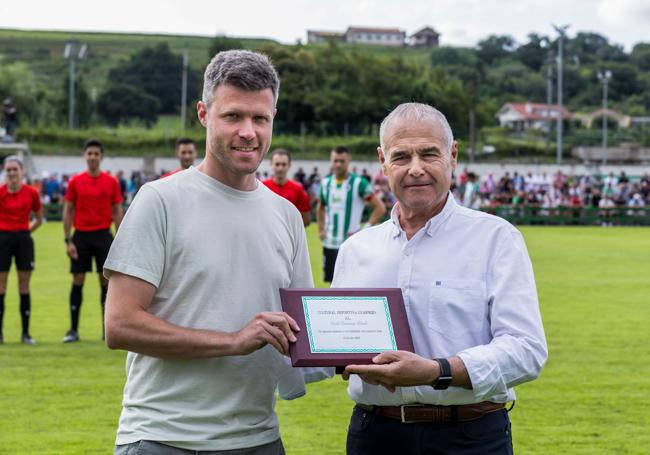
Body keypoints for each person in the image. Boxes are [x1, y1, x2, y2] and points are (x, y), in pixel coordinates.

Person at [104, 50, 330, 455]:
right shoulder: (160, 200)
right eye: (233, 116)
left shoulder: (287, 216)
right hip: (164, 437)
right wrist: (232, 340)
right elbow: (120, 325)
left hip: (259, 438)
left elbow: (301, 333)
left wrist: (366, 351)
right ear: (204, 114)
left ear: (273, 117)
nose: (248, 131)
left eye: (260, 118)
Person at [333, 103, 547, 455]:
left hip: (469, 435)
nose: (416, 169)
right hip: (375, 434)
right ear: (382, 162)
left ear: (453, 155)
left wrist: (436, 371)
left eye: (429, 154)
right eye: (401, 156)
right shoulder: (357, 249)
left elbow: (526, 350)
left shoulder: (495, 239)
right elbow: (336, 345)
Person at [62, 139, 123, 343]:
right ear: (84, 156)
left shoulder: (111, 182)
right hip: (81, 236)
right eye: (90, 154)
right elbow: (68, 209)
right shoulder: (75, 182)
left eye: (96, 154)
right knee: (78, 280)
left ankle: (107, 330)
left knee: (105, 283)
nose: (93, 157)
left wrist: (121, 239)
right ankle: (73, 330)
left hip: (103, 236)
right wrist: (68, 240)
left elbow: (117, 211)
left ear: (101, 157)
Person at [317, 146, 385, 282]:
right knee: (332, 285)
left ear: (349, 161)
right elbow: (321, 207)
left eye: (342, 161)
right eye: (335, 161)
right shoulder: (325, 183)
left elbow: (380, 208)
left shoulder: (359, 183)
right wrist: (321, 229)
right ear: (331, 162)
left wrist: (364, 230)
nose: (338, 164)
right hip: (330, 243)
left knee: (352, 284)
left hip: (351, 244)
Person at [0, 156, 42, 344]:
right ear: (4, 172)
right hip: (3, 240)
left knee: (23, 287)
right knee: (1, 287)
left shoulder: (31, 193)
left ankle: (25, 334)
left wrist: (25, 232)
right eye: (8, 170)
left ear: (21, 171)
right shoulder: (0, 192)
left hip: (24, 240)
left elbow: (39, 219)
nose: (11, 173)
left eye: (14, 170)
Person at [263, 148, 312, 226]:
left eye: (284, 164)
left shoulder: (298, 189)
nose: (280, 168)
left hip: (289, 236)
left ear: (289, 166)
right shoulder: (262, 187)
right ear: (271, 165)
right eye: (277, 164)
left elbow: (306, 220)